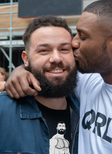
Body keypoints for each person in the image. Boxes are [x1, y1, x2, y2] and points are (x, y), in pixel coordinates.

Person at [5, 0, 112, 154]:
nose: (73, 43)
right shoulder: (89, 81)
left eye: (82, 36)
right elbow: (51, 70)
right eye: (75, 35)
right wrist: (22, 70)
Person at [0, 15, 79, 154]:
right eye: (44, 50)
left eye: (64, 49)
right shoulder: (3, 111)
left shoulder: (88, 109)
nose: (56, 58)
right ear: (26, 58)